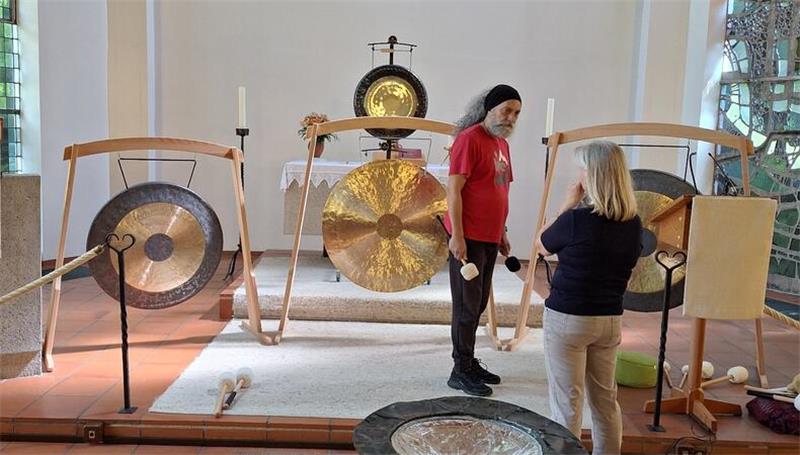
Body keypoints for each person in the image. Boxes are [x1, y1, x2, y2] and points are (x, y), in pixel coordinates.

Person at [535, 140, 642, 455]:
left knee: (567, 404)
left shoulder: (575, 220)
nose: (577, 174)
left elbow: (541, 244)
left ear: (591, 175)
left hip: (568, 318)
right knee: (605, 401)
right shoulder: (633, 224)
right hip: (609, 320)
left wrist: (567, 204)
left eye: (581, 168)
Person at [444, 84, 521, 397]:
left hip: (489, 236)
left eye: (516, 113)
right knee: (466, 305)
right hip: (469, 236)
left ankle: (469, 361)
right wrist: (458, 236)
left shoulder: (501, 143)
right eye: (506, 110)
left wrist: (502, 231)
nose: (511, 118)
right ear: (489, 108)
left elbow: (500, 189)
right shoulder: (469, 139)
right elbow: (454, 190)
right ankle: (459, 370)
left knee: (476, 304)